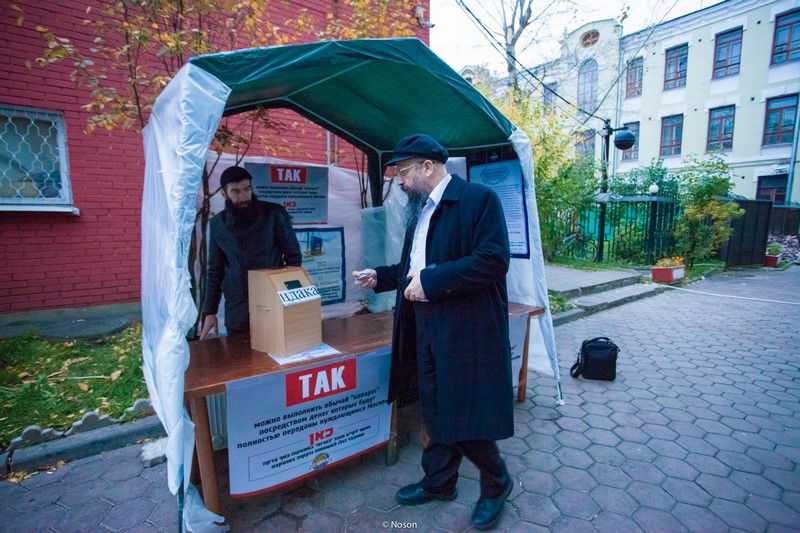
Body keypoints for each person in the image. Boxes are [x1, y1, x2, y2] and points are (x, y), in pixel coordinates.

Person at [353, 133, 514, 530]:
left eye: (403, 172)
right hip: (422, 324)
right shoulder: (420, 211)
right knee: (433, 404)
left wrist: (433, 280)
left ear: (428, 167)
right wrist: (381, 276)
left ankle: (497, 483)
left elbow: (493, 260)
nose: (400, 182)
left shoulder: (478, 200)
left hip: (464, 330)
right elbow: (414, 267)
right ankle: (440, 482)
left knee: (462, 409)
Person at [200, 165, 302, 339]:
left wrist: (285, 294)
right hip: (237, 309)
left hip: (272, 302)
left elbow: (293, 257)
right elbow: (214, 270)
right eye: (236, 191)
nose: (243, 196)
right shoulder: (218, 224)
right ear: (224, 194)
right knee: (240, 358)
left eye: (247, 189)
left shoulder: (274, 214)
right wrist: (210, 311)